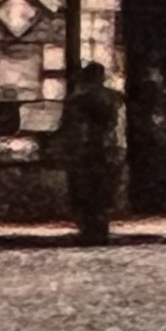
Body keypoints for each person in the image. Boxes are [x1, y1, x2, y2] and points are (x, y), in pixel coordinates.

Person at [60, 60, 126, 246]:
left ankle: (88, 230)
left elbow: (70, 128)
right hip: (107, 151)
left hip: (85, 152)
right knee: (103, 194)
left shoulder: (76, 100)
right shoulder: (114, 98)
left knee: (84, 193)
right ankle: (100, 229)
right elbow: (118, 128)